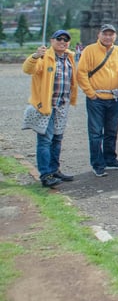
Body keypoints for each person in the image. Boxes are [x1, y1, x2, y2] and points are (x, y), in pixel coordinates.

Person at [22, 29, 78, 188]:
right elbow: (28, 69)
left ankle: (54, 170)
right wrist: (35, 56)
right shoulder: (44, 57)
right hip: (47, 105)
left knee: (57, 139)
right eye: (59, 39)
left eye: (65, 39)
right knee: (45, 140)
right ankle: (46, 175)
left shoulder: (69, 58)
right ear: (52, 41)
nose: (62, 42)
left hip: (62, 105)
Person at [76, 23, 118, 177]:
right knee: (95, 132)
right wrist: (90, 93)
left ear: (115, 36)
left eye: (111, 34)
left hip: (114, 97)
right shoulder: (89, 50)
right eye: (105, 34)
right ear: (98, 35)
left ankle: (110, 159)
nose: (107, 37)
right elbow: (81, 73)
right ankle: (97, 163)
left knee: (112, 131)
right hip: (96, 98)